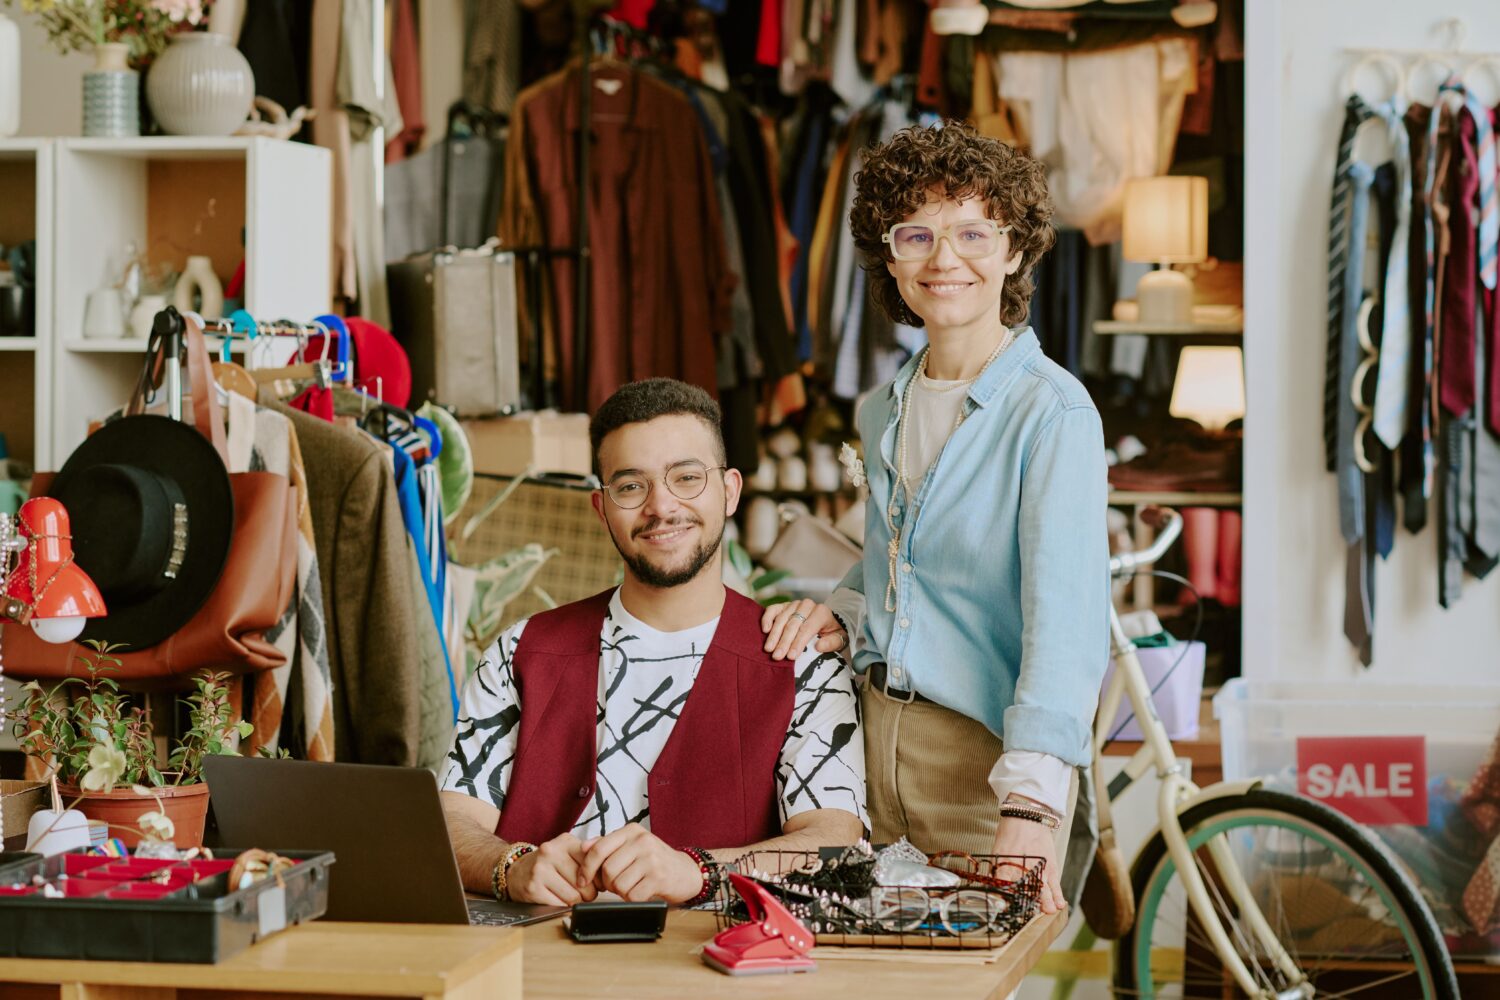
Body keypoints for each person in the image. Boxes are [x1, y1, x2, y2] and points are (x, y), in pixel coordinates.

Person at [761, 121, 1108, 914]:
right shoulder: (882, 405)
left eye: (972, 232)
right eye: (916, 234)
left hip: (984, 777)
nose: (944, 259)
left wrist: (1030, 805)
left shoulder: (1051, 414)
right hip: (868, 759)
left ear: (1014, 250)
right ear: (889, 256)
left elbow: (1066, 622)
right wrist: (842, 610)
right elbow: (895, 558)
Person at [441, 378, 867, 907]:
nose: (662, 507)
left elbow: (834, 838)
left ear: (730, 491)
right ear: (601, 509)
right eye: (630, 486)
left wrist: (700, 872)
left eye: (686, 478)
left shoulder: (800, 659)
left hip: (716, 972)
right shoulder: (519, 652)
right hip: (536, 972)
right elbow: (452, 821)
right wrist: (511, 866)